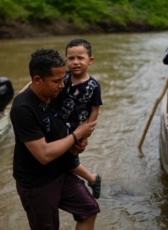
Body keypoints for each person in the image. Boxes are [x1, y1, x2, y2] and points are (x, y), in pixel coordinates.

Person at [10, 49, 99, 229]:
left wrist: (80, 140)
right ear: (37, 80)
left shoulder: (55, 93)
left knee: (88, 210)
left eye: (63, 79)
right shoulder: (23, 109)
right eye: (56, 81)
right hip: (36, 182)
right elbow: (44, 154)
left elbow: (84, 110)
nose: (62, 85)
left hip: (60, 171)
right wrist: (76, 135)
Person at [58, 39, 103, 199]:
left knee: (68, 159)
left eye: (80, 58)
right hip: (59, 125)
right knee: (62, 157)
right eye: (71, 58)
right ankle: (88, 179)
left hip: (77, 129)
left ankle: (92, 178)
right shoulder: (63, 78)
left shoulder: (93, 86)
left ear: (90, 61)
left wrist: (85, 135)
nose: (75, 62)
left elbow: (95, 110)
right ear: (66, 60)